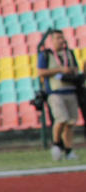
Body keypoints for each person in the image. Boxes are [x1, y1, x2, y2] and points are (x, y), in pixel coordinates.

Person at [36, 29, 81, 160]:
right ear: (51, 40)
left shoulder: (69, 53)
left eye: (62, 38)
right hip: (55, 92)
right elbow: (41, 72)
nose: (62, 40)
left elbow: (75, 69)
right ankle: (56, 144)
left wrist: (69, 71)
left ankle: (68, 150)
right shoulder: (46, 55)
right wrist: (60, 70)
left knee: (71, 122)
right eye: (58, 38)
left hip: (70, 91)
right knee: (61, 119)